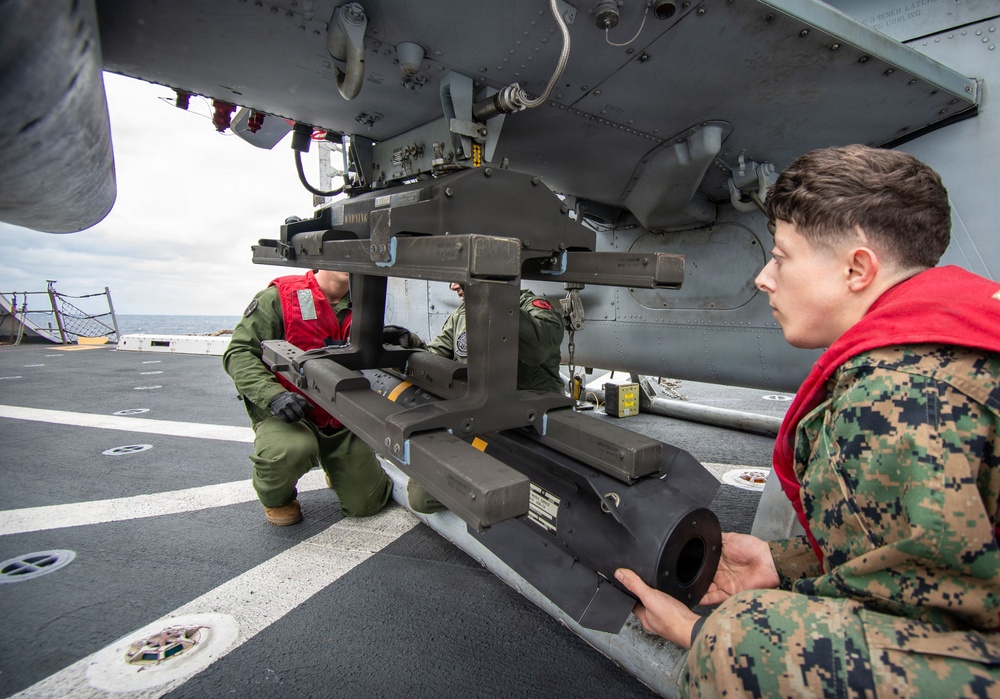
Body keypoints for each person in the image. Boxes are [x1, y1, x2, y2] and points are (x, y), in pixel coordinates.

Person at [615, 144, 1000, 696]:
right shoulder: (963, 337)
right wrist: (786, 563)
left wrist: (704, 632)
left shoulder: (894, 398)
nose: (764, 278)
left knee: (746, 643)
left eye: (782, 256)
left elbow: (934, 632)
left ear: (857, 269)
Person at [223, 269, 392, 525]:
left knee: (366, 503)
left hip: (339, 415)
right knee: (288, 452)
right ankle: (278, 498)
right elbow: (240, 352)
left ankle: (336, 468)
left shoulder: (366, 304)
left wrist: (398, 340)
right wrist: (274, 396)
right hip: (289, 412)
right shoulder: (279, 298)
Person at [397, 281, 566, 512]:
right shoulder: (463, 315)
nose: (453, 286)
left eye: (460, 277)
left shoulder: (534, 308)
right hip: (482, 420)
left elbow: (539, 347)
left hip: (528, 425)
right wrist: (410, 348)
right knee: (421, 497)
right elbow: (436, 357)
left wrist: (489, 301)